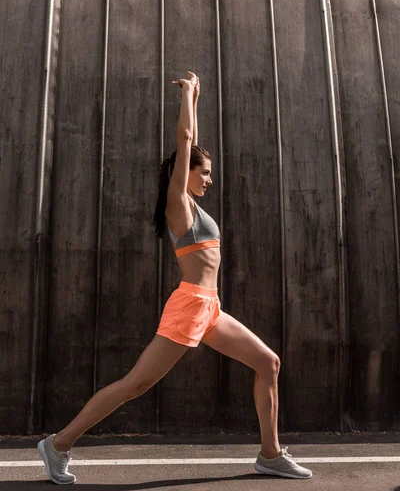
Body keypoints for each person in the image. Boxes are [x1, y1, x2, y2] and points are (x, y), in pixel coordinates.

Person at [37, 71, 312, 484]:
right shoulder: (178, 205)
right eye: (205, 173)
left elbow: (190, 142)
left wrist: (197, 100)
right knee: (136, 384)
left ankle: (270, 454)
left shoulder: (193, 208)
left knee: (267, 362)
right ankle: (58, 443)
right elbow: (185, 141)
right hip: (189, 307)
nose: (209, 179)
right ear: (186, 175)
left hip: (210, 308)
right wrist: (187, 96)